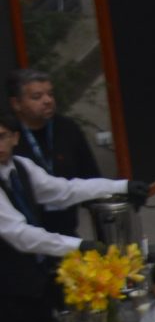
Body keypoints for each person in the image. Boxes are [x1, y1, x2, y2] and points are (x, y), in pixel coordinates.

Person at [0, 119, 139, 322]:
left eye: (2, 136)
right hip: (7, 289)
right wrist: (78, 246)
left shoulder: (22, 167)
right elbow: (19, 234)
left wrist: (121, 187)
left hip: (34, 280)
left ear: (15, 138)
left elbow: (64, 190)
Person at [5, 71, 100, 239]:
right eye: (37, 97)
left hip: (67, 231)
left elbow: (90, 177)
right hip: (21, 237)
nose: (48, 101)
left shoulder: (67, 128)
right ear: (16, 103)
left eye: (50, 94)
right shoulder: (6, 136)